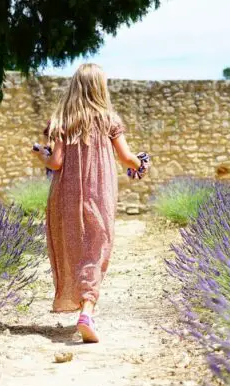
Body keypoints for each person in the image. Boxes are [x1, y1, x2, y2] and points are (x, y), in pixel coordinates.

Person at [32, 63, 150, 343]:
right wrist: (141, 164)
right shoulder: (108, 119)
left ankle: (82, 303)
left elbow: (56, 162)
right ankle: (87, 309)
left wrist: (41, 155)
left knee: (73, 247)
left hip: (65, 195)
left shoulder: (61, 120)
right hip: (100, 192)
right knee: (97, 248)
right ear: (99, 88)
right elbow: (126, 158)